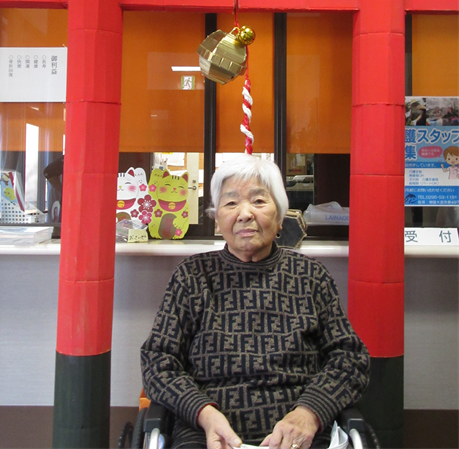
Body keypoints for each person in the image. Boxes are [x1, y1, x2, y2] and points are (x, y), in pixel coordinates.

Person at [141, 155, 370, 449]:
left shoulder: (310, 276)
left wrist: (309, 413)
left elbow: (350, 358)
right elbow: (158, 361)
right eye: (231, 203)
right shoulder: (192, 277)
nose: (244, 214)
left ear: (279, 217)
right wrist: (204, 413)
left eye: (259, 202)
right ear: (217, 218)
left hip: (297, 435)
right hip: (206, 434)